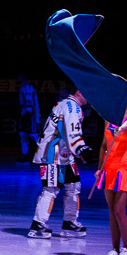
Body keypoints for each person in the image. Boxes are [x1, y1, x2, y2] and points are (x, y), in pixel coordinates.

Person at [27, 85, 92, 238]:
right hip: (52, 153)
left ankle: (69, 222)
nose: (90, 97)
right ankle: (38, 225)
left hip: (64, 153)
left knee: (73, 186)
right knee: (51, 188)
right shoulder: (71, 107)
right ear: (79, 92)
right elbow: (72, 133)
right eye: (87, 93)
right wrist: (82, 150)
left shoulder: (67, 104)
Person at [96, 93, 127, 255]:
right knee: (111, 211)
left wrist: (122, 128)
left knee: (119, 210)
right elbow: (103, 145)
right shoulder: (109, 117)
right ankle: (114, 249)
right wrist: (99, 168)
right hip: (110, 168)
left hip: (126, 168)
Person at [17, 74, 41, 162]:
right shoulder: (24, 87)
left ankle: (46, 154)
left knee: (34, 135)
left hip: (31, 117)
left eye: (19, 77)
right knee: (23, 134)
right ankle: (25, 155)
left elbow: (29, 103)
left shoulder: (27, 88)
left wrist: (27, 117)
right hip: (26, 115)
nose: (17, 78)